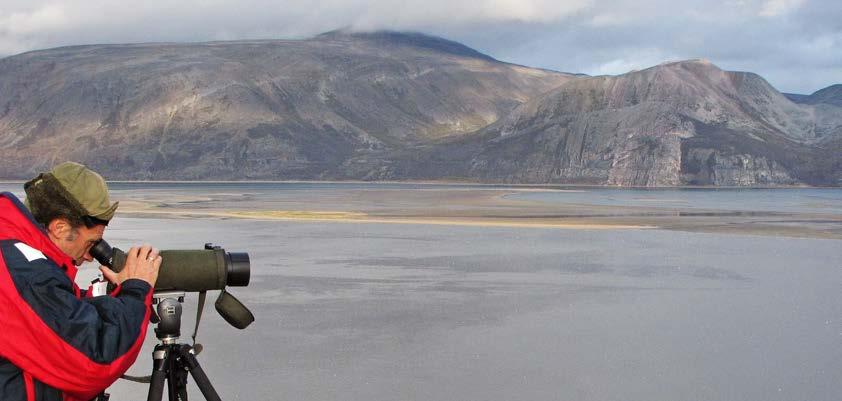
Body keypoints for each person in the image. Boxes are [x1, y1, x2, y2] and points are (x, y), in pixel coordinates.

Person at [0, 162, 161, 401]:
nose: (88, 256)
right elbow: (94, 360)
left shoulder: (18, 253)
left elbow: (59, 313)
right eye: (90, 243)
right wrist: (136, 291)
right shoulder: (27, 274)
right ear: (60, 227)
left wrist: (113, 295)